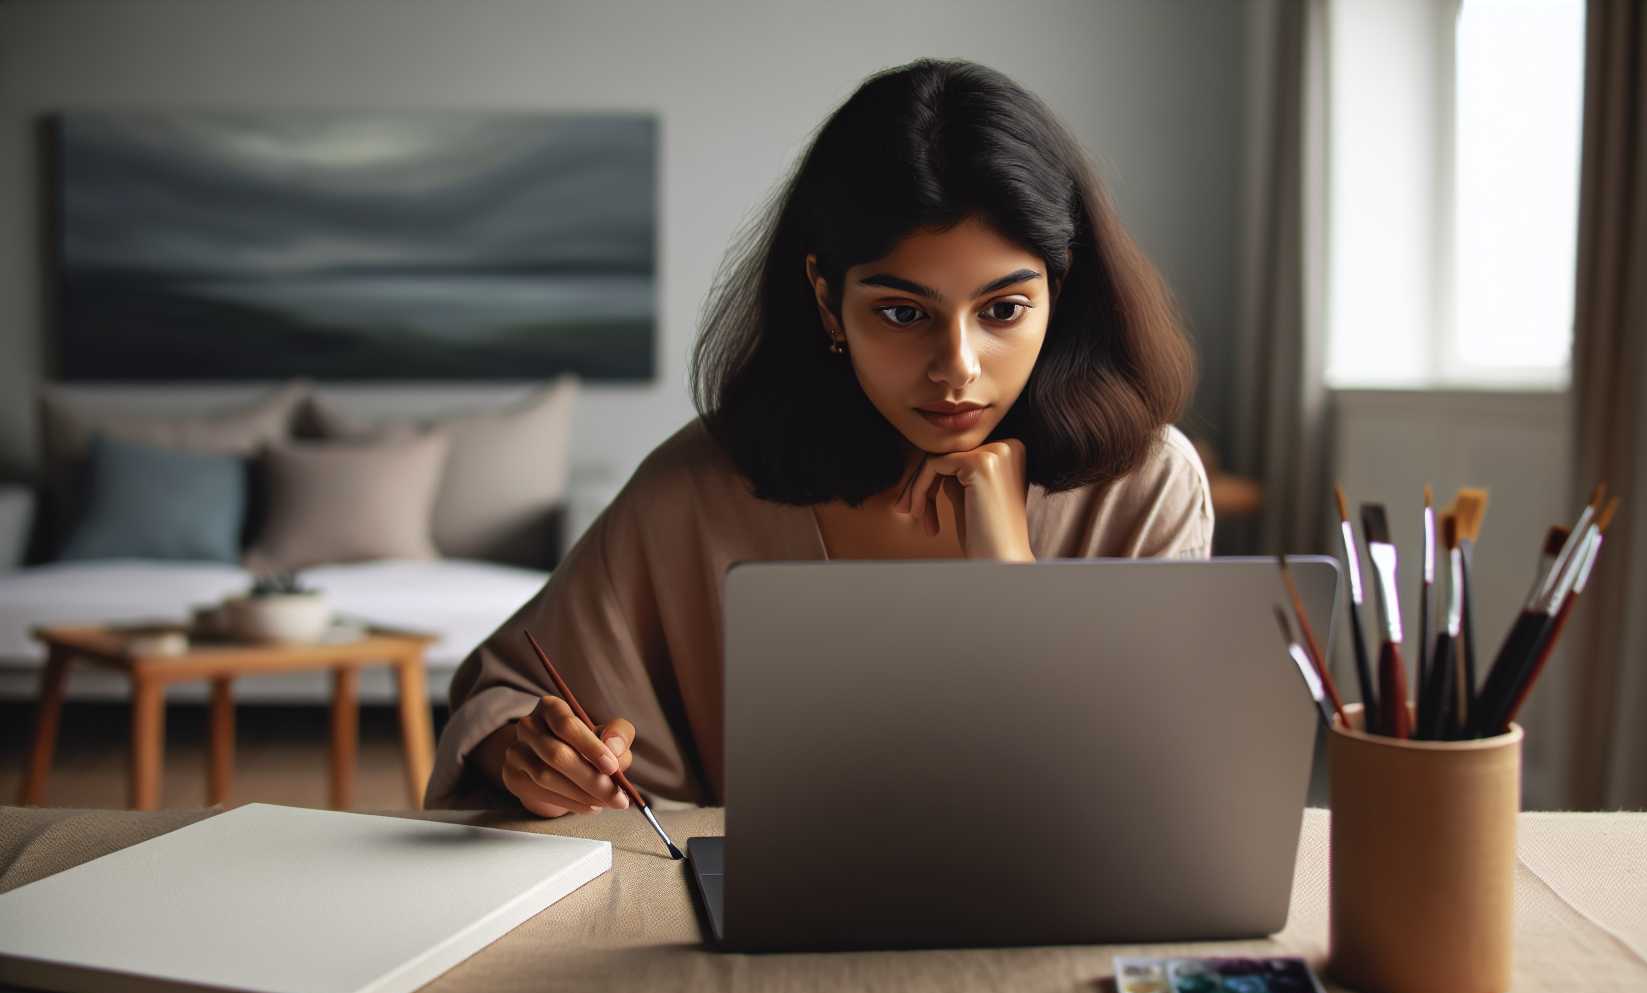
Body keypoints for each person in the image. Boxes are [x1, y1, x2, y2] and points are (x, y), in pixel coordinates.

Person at [422, 57, 1215, 816]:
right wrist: (531, 758)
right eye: (903, 313)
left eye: (1003, 310)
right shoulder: (703, 485)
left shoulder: (1145, 489)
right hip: (752, 941)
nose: (958, 369)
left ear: (1061, 293)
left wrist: (1007, 570)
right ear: (828, 303)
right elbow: (504, 697)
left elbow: (1141, 797)